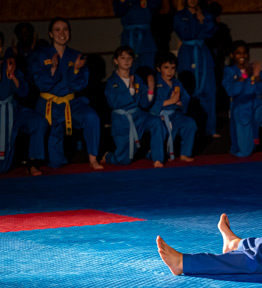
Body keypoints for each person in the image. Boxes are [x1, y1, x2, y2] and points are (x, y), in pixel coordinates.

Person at [30, 17, 103, 170]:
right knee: (56, 163)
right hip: (49, 105)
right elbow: (40, 83)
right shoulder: (41, 55)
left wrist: (75, 69)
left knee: (91, 117)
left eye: (65, 29)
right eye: (57, 30)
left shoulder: (76, 55)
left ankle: (93, 158)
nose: (62, 33)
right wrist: (52, 70)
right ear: (50, 34)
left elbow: (80, 84)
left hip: (71, 103)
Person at [102, 46, 165, 167]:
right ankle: (108, 156)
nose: (126, 61)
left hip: (138, 116)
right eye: (122, 58)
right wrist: (130, 90)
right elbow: (112, 102)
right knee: (123, 160)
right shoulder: (111, 82)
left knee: (156, 121)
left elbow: (144, 103)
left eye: (129, 58)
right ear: (116, 61)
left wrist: (151, 90)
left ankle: (157, 158)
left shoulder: (137, 79)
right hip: (122, 120)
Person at [0, 31, 47, 175]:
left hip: (13, 110)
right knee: (2, 167)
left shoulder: (9, 64)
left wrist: (12, 75)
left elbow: (23, 91)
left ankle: (33, 163)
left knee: (38, 122)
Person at [222, 41, 262, 158]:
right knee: (245, 152)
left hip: (256, 105)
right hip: (241, 108)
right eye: (238, 53)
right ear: (232, 55)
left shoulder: (254, 69)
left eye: (244, 53)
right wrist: (244, 76)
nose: (242, 55)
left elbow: (261, 90)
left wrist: (256, 77)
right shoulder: (229, 71)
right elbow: (231, 91)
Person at [174, 0, 218, 137]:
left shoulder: (205, 14)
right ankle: (186, 127)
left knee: (209, 91)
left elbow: (211, 32)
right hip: (187, 54)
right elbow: (186, 34)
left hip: (202, 54)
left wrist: (203, 20)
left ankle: (211, 128)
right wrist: (198, 22)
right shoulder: (180, 15)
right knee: (186, 91)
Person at [151, 52, 196, 161]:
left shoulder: (177, 83)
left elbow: (186, 97)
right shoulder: (154, 83)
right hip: (159, 116)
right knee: (162, 135)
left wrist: (180, 102)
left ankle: (185, 153)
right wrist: (170, 101)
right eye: (166, 67)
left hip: (174, 115)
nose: (170, 71)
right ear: (158, 68)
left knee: (190, 123)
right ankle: (152, 154)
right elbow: (150, 102)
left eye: (173, 68)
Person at [112, 0, 162, 72]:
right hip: (129, 37)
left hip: (146, 38)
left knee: (148, 69)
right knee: (128, 66)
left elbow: (156, 4)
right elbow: (119, 11)